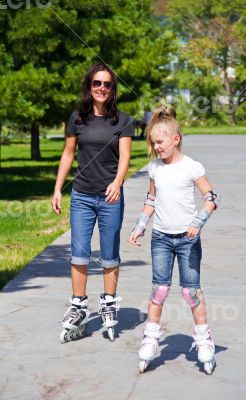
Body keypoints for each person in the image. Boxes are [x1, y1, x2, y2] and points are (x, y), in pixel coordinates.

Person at [129, 106, 220, 374]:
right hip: (161, 238)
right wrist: (141, 225)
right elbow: (151, 200)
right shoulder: (154, 168)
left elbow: (211, 199)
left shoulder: (192, 167)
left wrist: (198, 221)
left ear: (176, 139)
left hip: (188, 239)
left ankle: (204, 341)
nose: (156, 148)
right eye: (153, 143)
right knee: (159, 290)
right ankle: (151, 338)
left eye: (160, 142)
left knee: (190, 291)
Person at [52, 62, 135, 342]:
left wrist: (118, 182)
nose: (102, 88)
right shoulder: (77, 118)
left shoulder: (123, 120)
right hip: (82, 196)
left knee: (109, 253)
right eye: (97, 83)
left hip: (110, 195)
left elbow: (125, 157)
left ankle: (109, 304)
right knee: (79, 252)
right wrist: (57, 188)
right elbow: (67, 154)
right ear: (90, 86)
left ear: (113, 89)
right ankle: (78, 307)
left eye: (107, 84)